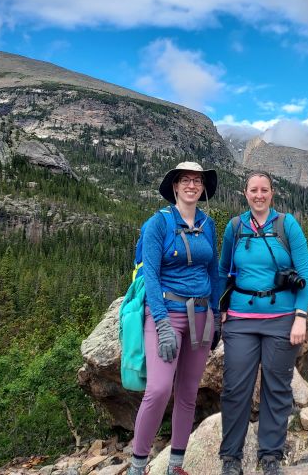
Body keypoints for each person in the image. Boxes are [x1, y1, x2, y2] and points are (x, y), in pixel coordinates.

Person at [127, 161, 221, 475]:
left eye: (198, 180)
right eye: (186, 180)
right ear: (175, 187)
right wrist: (162, 323)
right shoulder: (158, 224)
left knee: (188, 392)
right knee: (158, 389)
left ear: (203, 187)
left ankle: (175, 465)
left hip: (201, 315)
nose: (192, 185)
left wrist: (217, 315)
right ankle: (138, 466)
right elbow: (151, 276)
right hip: (166, 313)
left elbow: (213, 271)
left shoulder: (208, 225)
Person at [219, 170, 308, 475]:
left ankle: (270, 456)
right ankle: (231, 458)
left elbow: (304, 274)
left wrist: (300, 317)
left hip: (281, 319)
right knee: (235, 388)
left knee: (277, 387)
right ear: (245, 193)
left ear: (273, 193)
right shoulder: (235, 227)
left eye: (264, 190)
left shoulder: (288, 225)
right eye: (253, 190)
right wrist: (219, 308)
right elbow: (223, 272)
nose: (259, 195)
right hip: (240, 319)